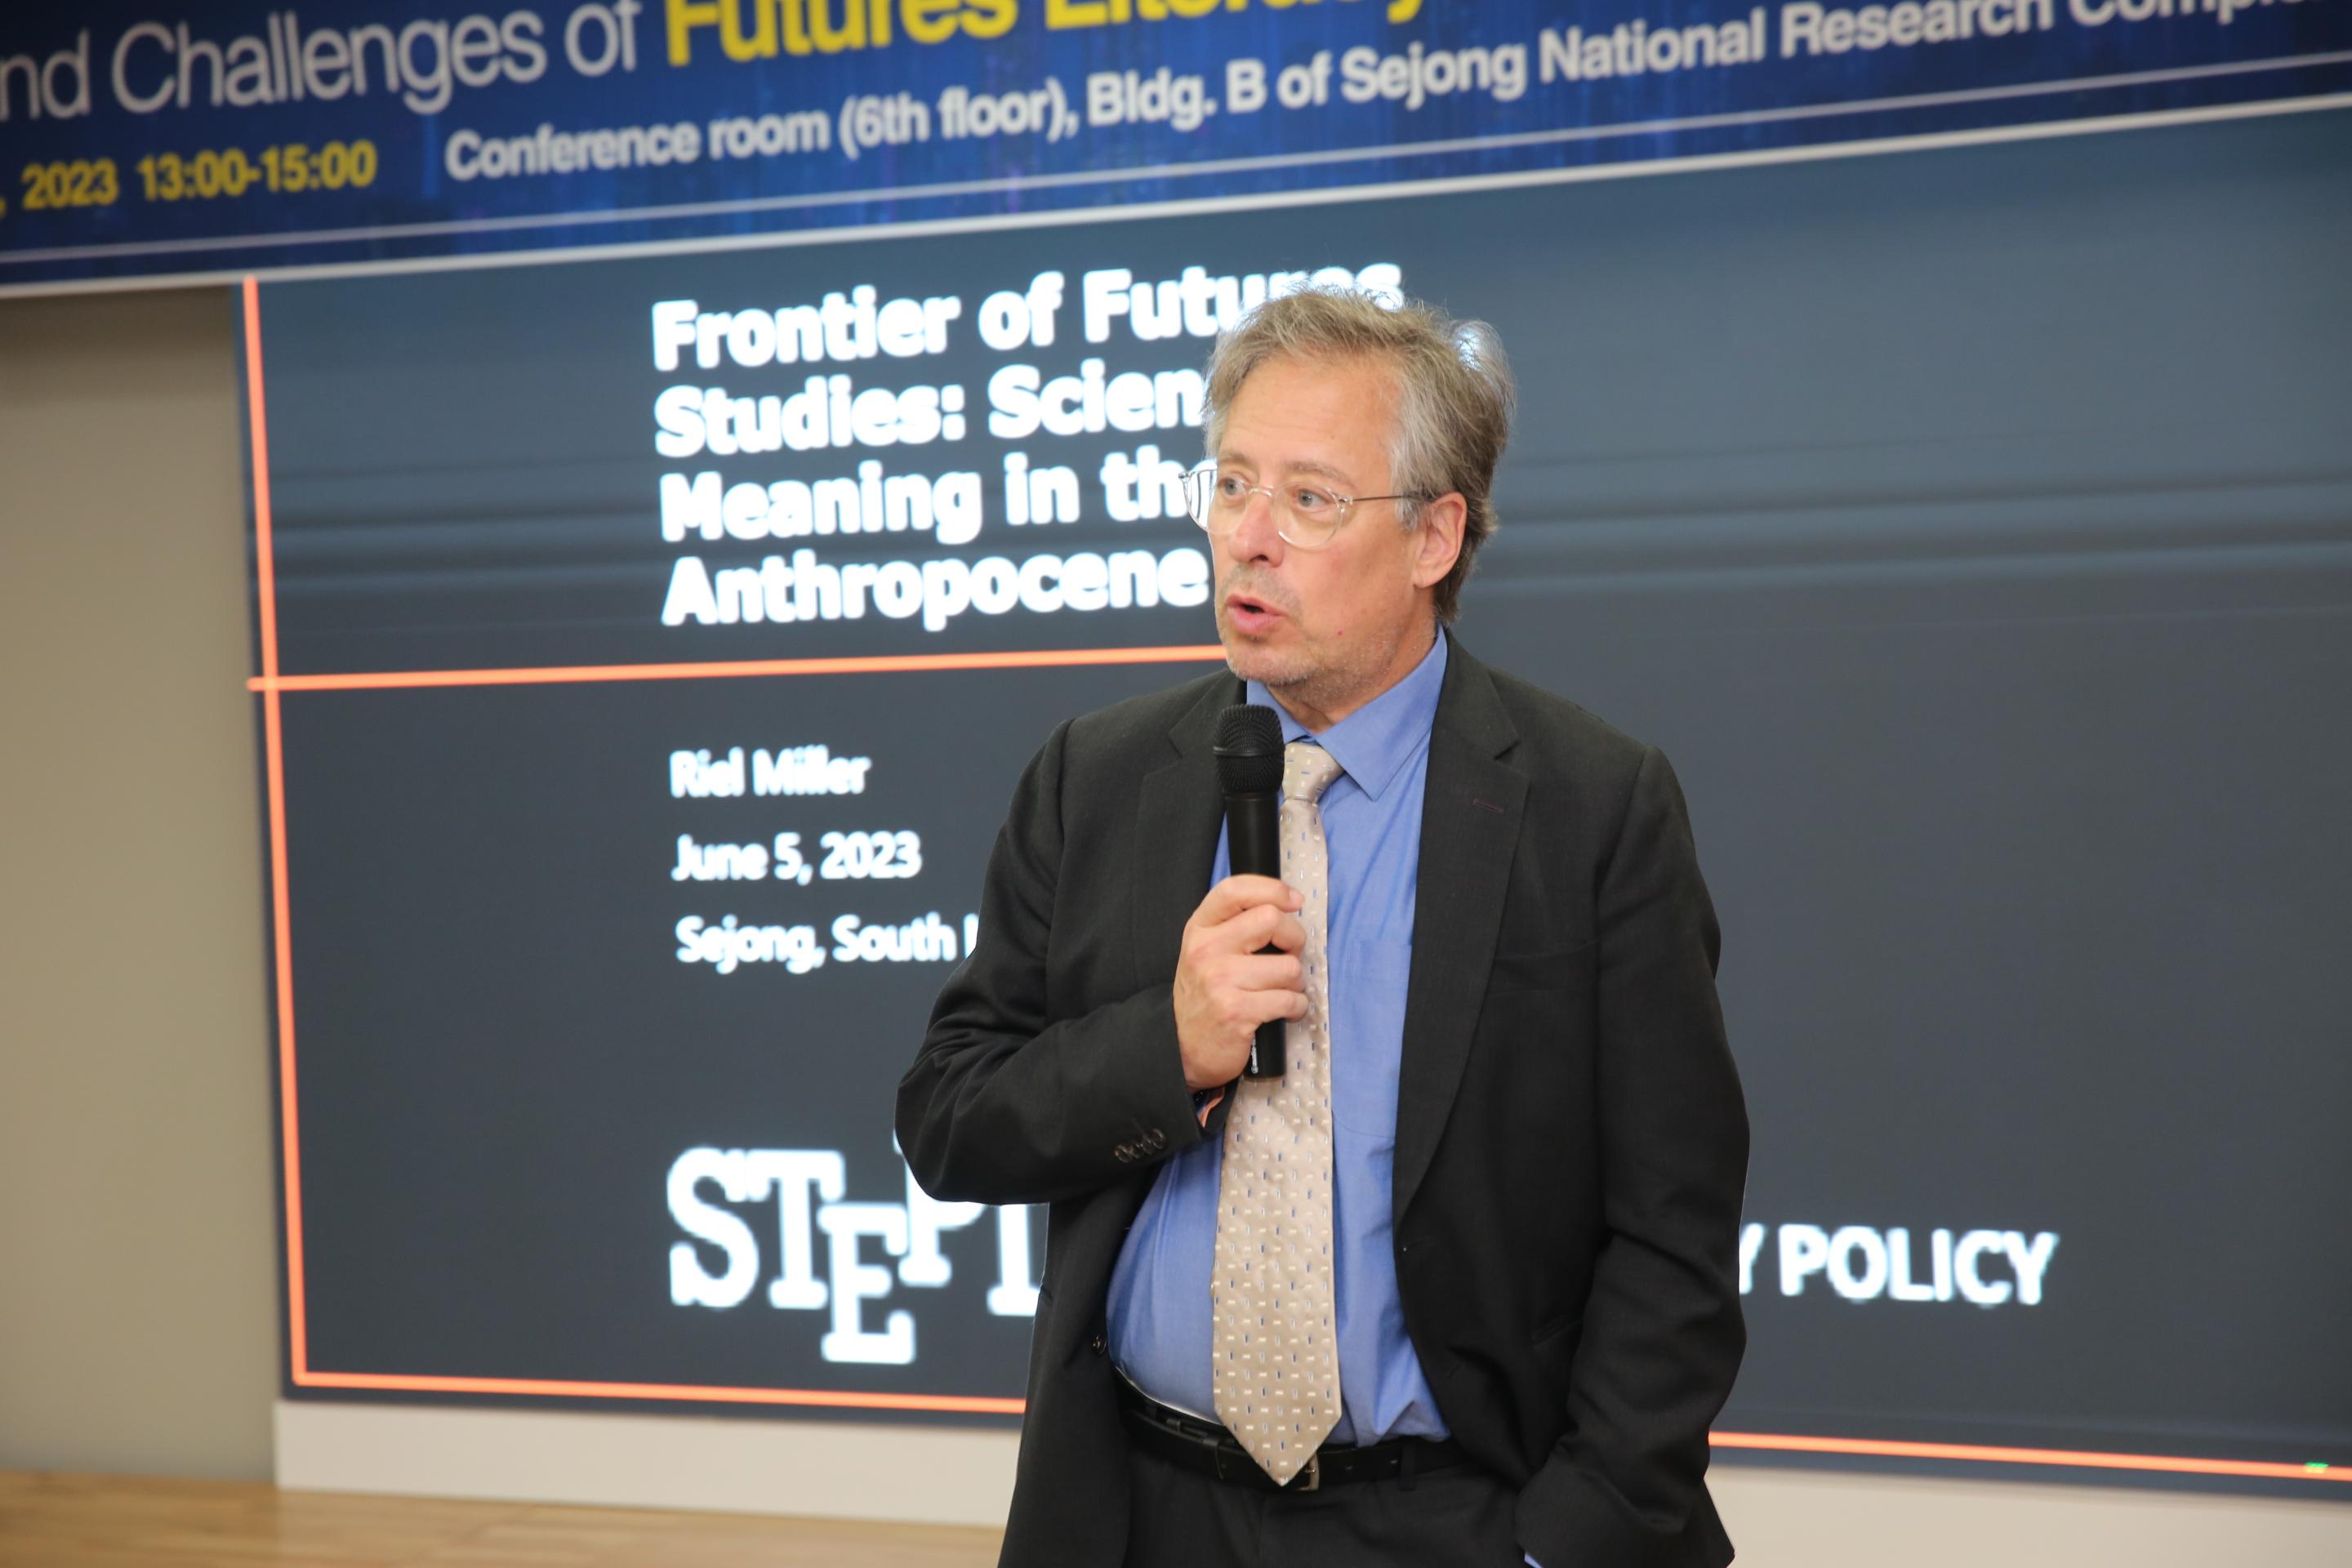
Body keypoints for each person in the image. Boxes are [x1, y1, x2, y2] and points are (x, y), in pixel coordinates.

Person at [896, 288, 1748, 1568]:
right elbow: (950, 1117)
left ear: (1434, 536)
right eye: (1232, 484)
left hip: (1459, 1516)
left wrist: (1559, 1545)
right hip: (1143, 1510)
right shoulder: (1097, 779)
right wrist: (1165, 1047)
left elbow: (1673, 1230)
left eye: (1310, 499)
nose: (1250, 539)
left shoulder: (1593, 806)